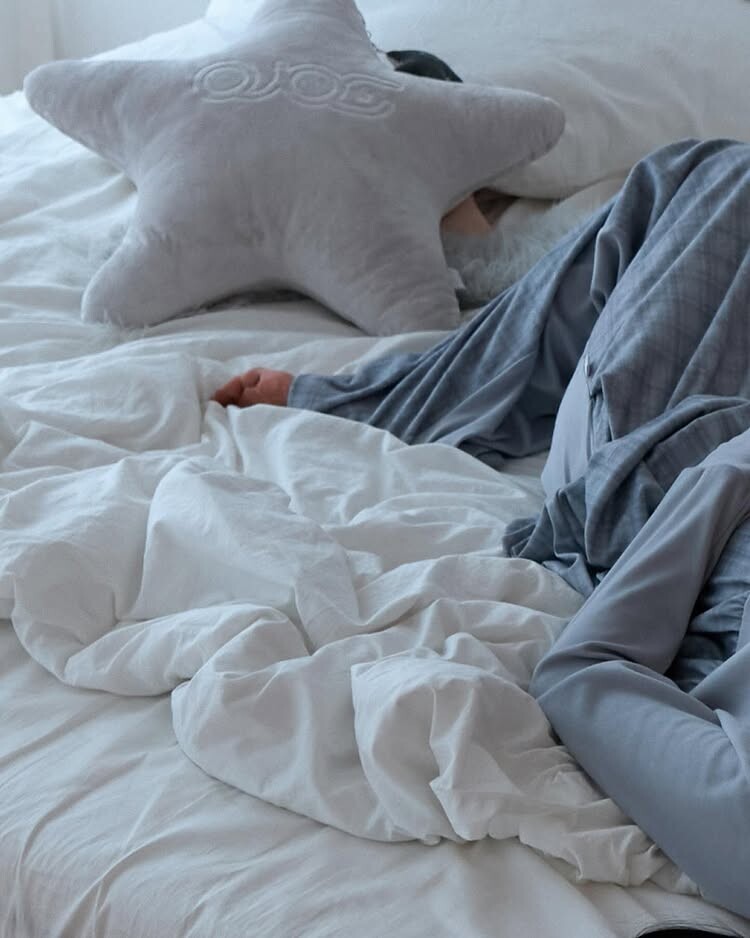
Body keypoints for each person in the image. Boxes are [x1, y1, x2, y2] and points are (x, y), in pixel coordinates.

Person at [211, 83, 750, 919]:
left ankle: (436, 324)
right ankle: (501, 262)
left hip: (666, 493)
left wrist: (732, 470)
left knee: (720, 182)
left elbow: (582, 680)